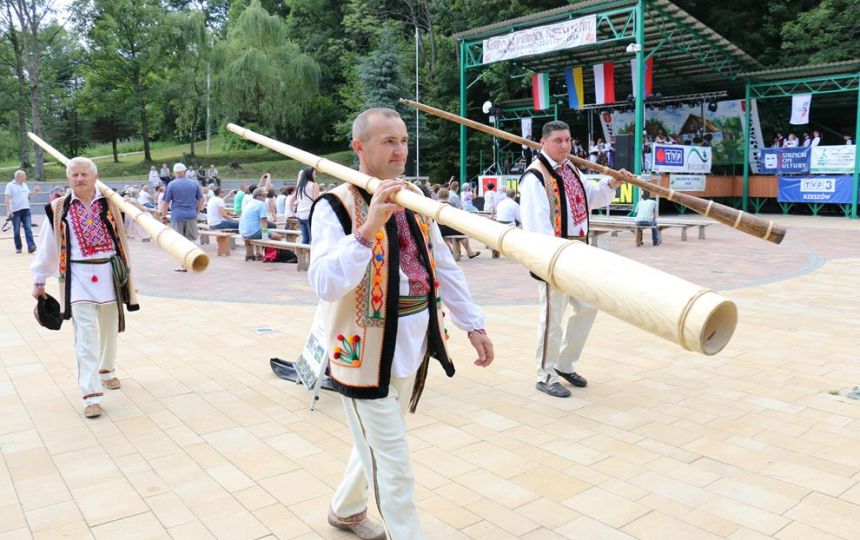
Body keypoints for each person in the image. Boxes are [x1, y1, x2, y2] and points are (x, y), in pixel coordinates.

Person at [310, 107, 494, 540]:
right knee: (395, 464)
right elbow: (323, 283)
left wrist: (474, 324)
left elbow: (443, 267)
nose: (399, 150)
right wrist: (367, 230)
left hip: (411, 346)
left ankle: (346, 510)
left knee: (378, 441)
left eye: (403, 140)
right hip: (362, 354)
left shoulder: (414, 198)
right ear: (359, 148)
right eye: (388, 141)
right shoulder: (334, 206)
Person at [520, 120, 631, 398]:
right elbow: (536, 227)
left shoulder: (570, 169)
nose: (565, 145)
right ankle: (545, 374)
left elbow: (588, 197)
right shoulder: (535, 177)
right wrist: (551, 261)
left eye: (568, 140)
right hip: (553, 257)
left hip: (580, 253)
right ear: (543, 142)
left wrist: (612, 182)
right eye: (558, 140)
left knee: (588, 305)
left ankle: (564, 363)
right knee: (552, 317)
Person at [30, 157, 138, 418]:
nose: (80, 179)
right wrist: (39, 280)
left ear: (95, 176)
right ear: (68, 179)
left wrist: (137, 210)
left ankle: (107, 370)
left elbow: (134, 230)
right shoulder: (58, 209)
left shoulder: (113, 203)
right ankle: (90, 396)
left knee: (110, 328)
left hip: (110, 275)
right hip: (77, 277)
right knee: (85, 337)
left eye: (84, 174)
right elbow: (48, 245)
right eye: (74, 175)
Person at [160, 163, 203, 272]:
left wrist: (163, 216)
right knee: (191, 240)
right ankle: (193, 261)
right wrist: (197, 212)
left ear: (175, 173)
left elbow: (165, 203)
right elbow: (201, 200)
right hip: (191, 215)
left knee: (179, 241)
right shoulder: (194, 183)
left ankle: (183, 265)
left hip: (177, 216)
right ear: (185, 171)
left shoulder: (171, 185)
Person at [436, 188, 480, 259]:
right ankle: (469, 251)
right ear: (448, 196)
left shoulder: (434, 204)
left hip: (438, 230)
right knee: (462, 231)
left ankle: (452, 251)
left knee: (452, 233)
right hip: (446, 229)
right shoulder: (450, 205)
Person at [5, 170, 40, 254]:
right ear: (19, 177)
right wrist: (8, 211)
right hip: (15, 211)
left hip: (26, 210)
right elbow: (7, 199)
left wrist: (35, 192)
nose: (25, 178)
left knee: (28, 228)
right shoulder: (10, 185)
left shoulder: (24, 184)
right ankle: (18, 247)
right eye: (24, 176)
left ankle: (31, 246)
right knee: (16, 231)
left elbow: (28, 194)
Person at [295, 167, 319, 244]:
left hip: (300, 214)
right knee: (313, 239)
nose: (316, 176)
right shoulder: (314, 185)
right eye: (315, 174)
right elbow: (316, 201)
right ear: (310, 174)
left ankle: (302, 256)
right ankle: (310, 256)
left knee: (305, 239)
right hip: (309, 213)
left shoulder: (299, 186)